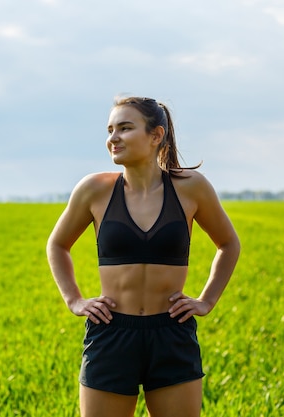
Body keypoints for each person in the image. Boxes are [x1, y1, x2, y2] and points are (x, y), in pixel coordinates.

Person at [46, 96, 240, 417]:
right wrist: (75, 301)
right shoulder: (94, 189)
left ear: (155, 136)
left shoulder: (190, 187)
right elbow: (57, 245)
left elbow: (228, 243)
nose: (113, 138)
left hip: (171, 334)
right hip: (110, 334)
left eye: (124, 128)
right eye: (110, 130)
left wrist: (206, 301)